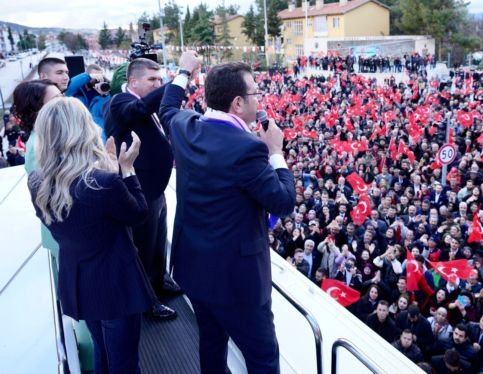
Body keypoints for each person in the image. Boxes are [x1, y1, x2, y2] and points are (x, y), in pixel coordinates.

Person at [159, 59, 295, 373]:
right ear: (237, 103)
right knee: (262, 356)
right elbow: (283, 201)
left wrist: (183, 72)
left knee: (211, 343)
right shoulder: (247, 148)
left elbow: (167, 106)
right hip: (237, 281)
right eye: (256, 93)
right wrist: (276, 151)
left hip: (193, 268)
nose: (260, 99)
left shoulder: (185, 127)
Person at [27, 97, 153, 373]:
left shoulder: (36, 181)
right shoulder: (102, 183)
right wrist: (127, 170)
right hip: (116, 283)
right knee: (124, 363)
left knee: (102, 354)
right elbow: (139, 214)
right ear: (84, 130)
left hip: (79, 280)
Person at [104, 57, 181, 320]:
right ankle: (147, 300)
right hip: (139, 189)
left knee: (158, 239)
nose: (158, 84)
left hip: (154, 188)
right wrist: (176, 81)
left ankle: (159, 281)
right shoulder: (119, 103)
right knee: (144, 247)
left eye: (160, 79)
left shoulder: (146, 103)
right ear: (133, 81)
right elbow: (139, 109)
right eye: (152, 80)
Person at [64, 63, 112, 132]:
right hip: (80, 128)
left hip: (98, 130)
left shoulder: (105, 91)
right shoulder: (79, 91)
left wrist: (104, 95)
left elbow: (104, 114)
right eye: (95, 76)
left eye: (100, 76)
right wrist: (87, 77)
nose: (97, 79)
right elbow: (67, 90)